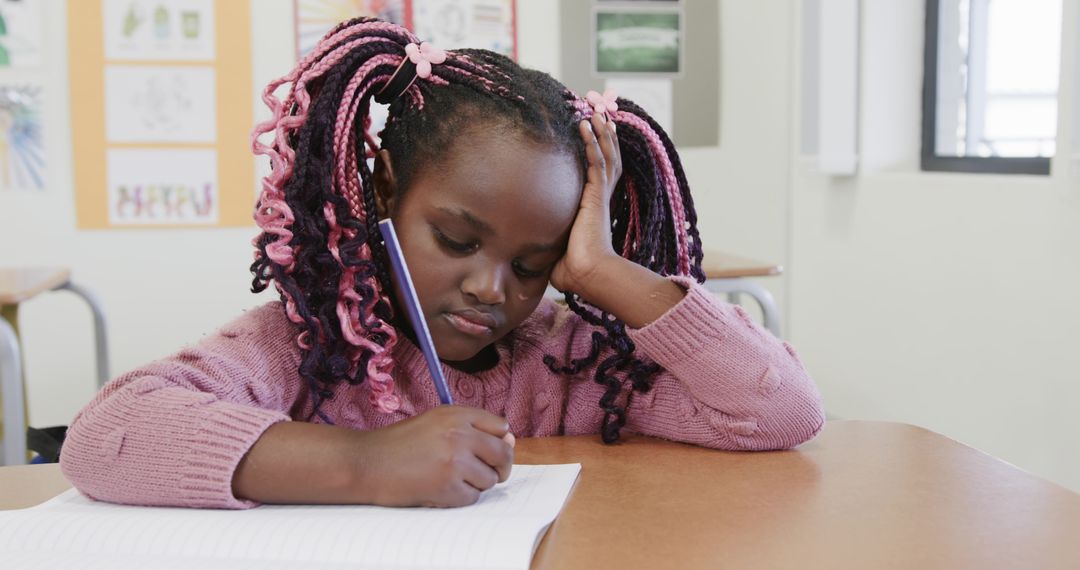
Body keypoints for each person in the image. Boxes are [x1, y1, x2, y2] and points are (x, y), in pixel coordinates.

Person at [60, 18, 825, 509]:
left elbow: (781, 412)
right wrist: (365, 464)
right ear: (384, 191)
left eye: (534, 265)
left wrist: (604, 273)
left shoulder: (565, 366)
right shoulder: (305, 348)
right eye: (458, 241)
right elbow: (104, 437)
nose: (490, 287)